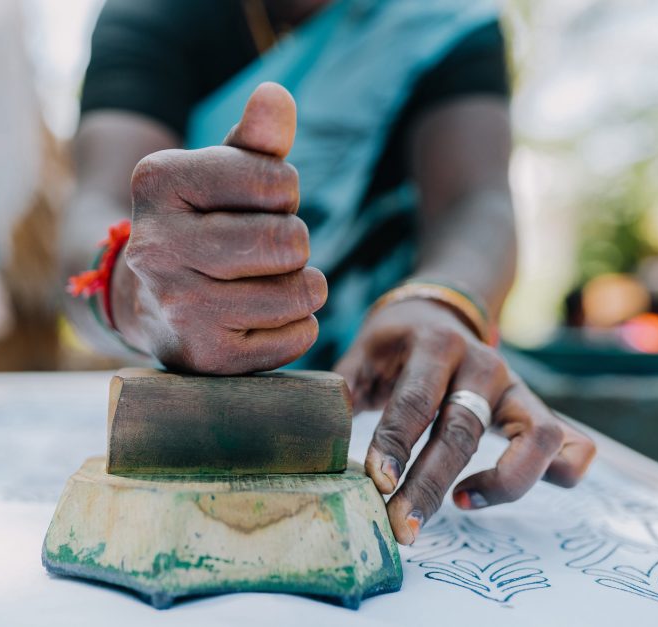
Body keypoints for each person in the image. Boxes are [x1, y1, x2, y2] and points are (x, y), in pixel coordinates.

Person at [61, 0, 596, 546]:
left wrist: (440, 304)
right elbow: (96, 207)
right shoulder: (153, 13)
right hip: (178, 394)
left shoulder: (444, 19)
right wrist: (134, 288)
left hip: (386, 396)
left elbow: (476, 202)